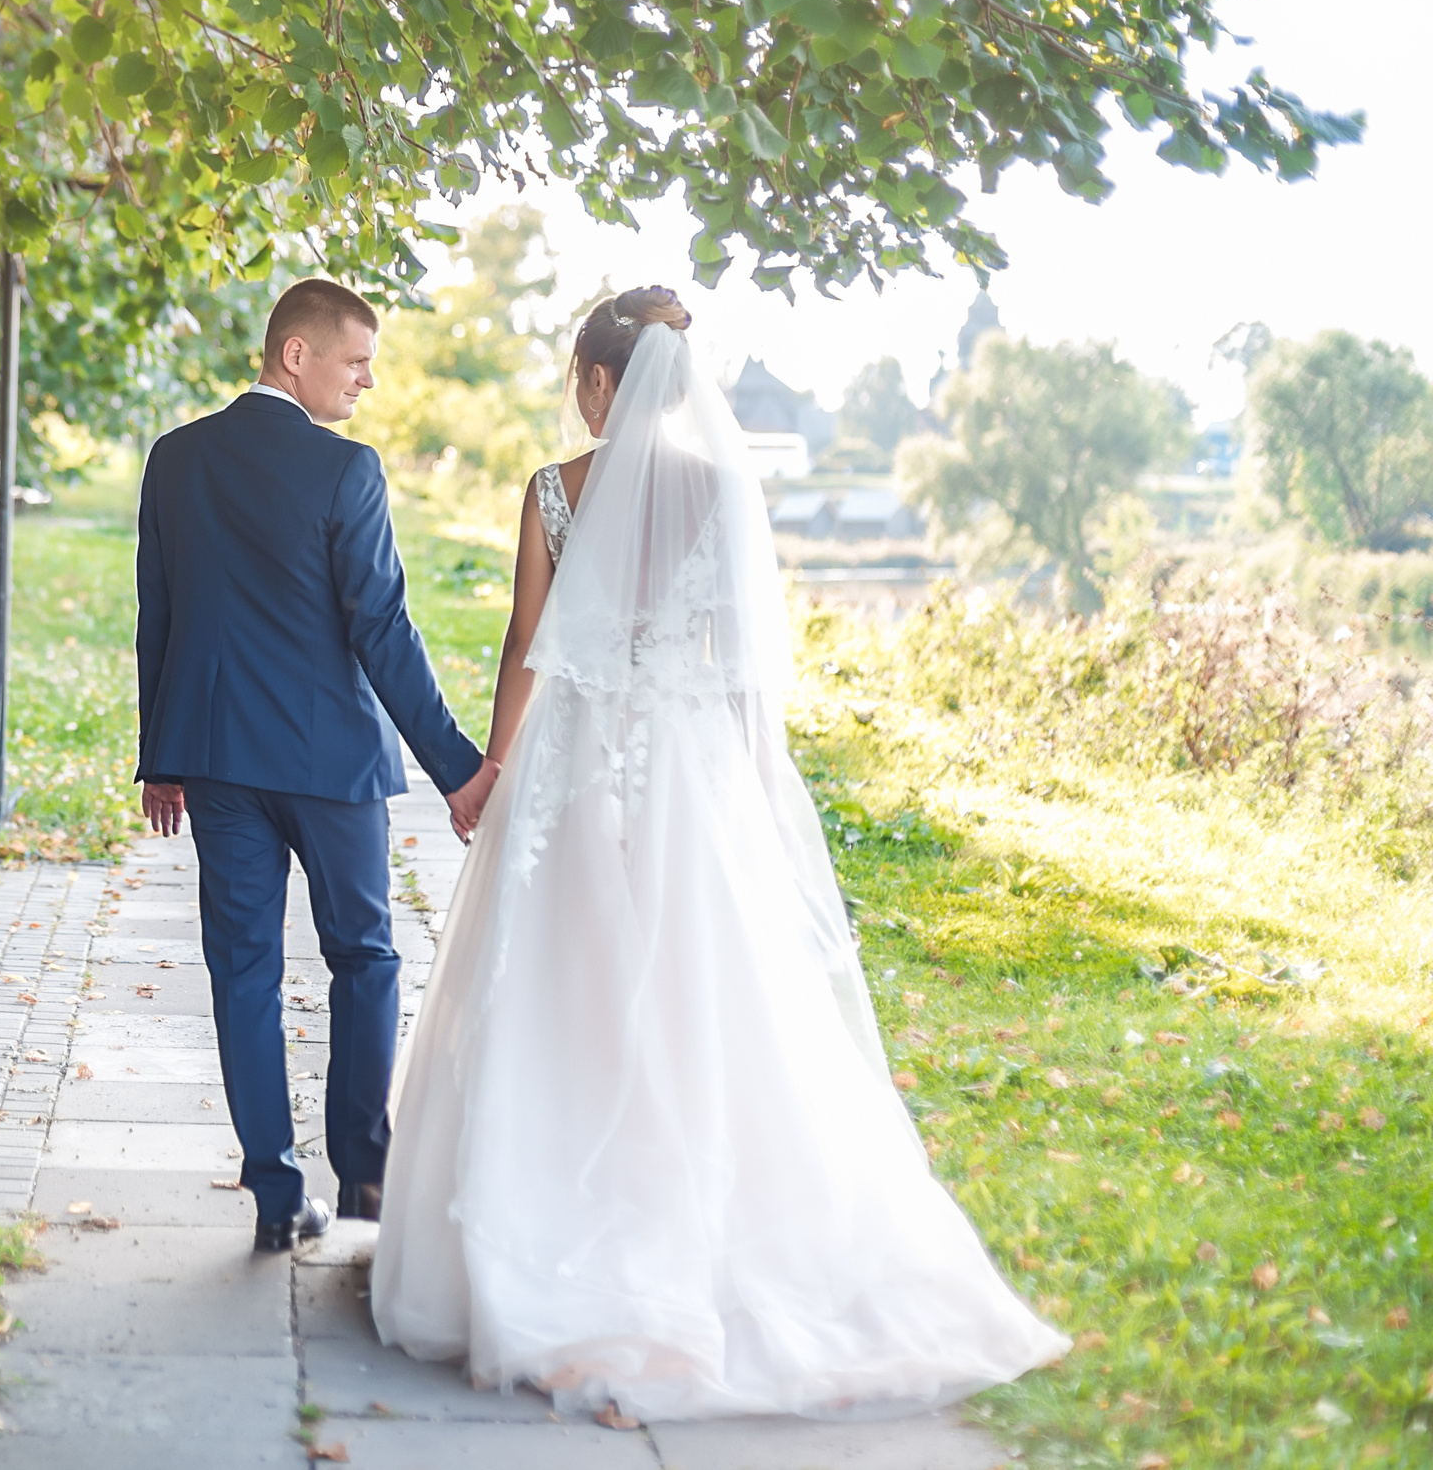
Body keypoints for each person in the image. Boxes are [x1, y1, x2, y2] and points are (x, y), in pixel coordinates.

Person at [371, 288, 1069, 1420]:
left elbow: (524, 642)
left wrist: (496, 768)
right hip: (687, 752)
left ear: (601, 381)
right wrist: (749, 791)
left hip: (577, 752)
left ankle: (546, 1226)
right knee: (698, 989)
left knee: (562, 981)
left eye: (580, 378)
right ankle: (703, 1223)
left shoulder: (554, 488)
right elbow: (745, 666)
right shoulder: (717, 491)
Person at [135, 278, 498, 1253]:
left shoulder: (174, 460)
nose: (368, 381)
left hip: (211, 759)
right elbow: (380, 625)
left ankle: (274, 1193)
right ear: (295, 355)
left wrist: (158, 757)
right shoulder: (347, 471)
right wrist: (458, 767)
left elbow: (157, 616)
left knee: (242, 971)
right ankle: (365, 1172)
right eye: (355, 360)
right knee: (365, 956)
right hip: (329, 762)